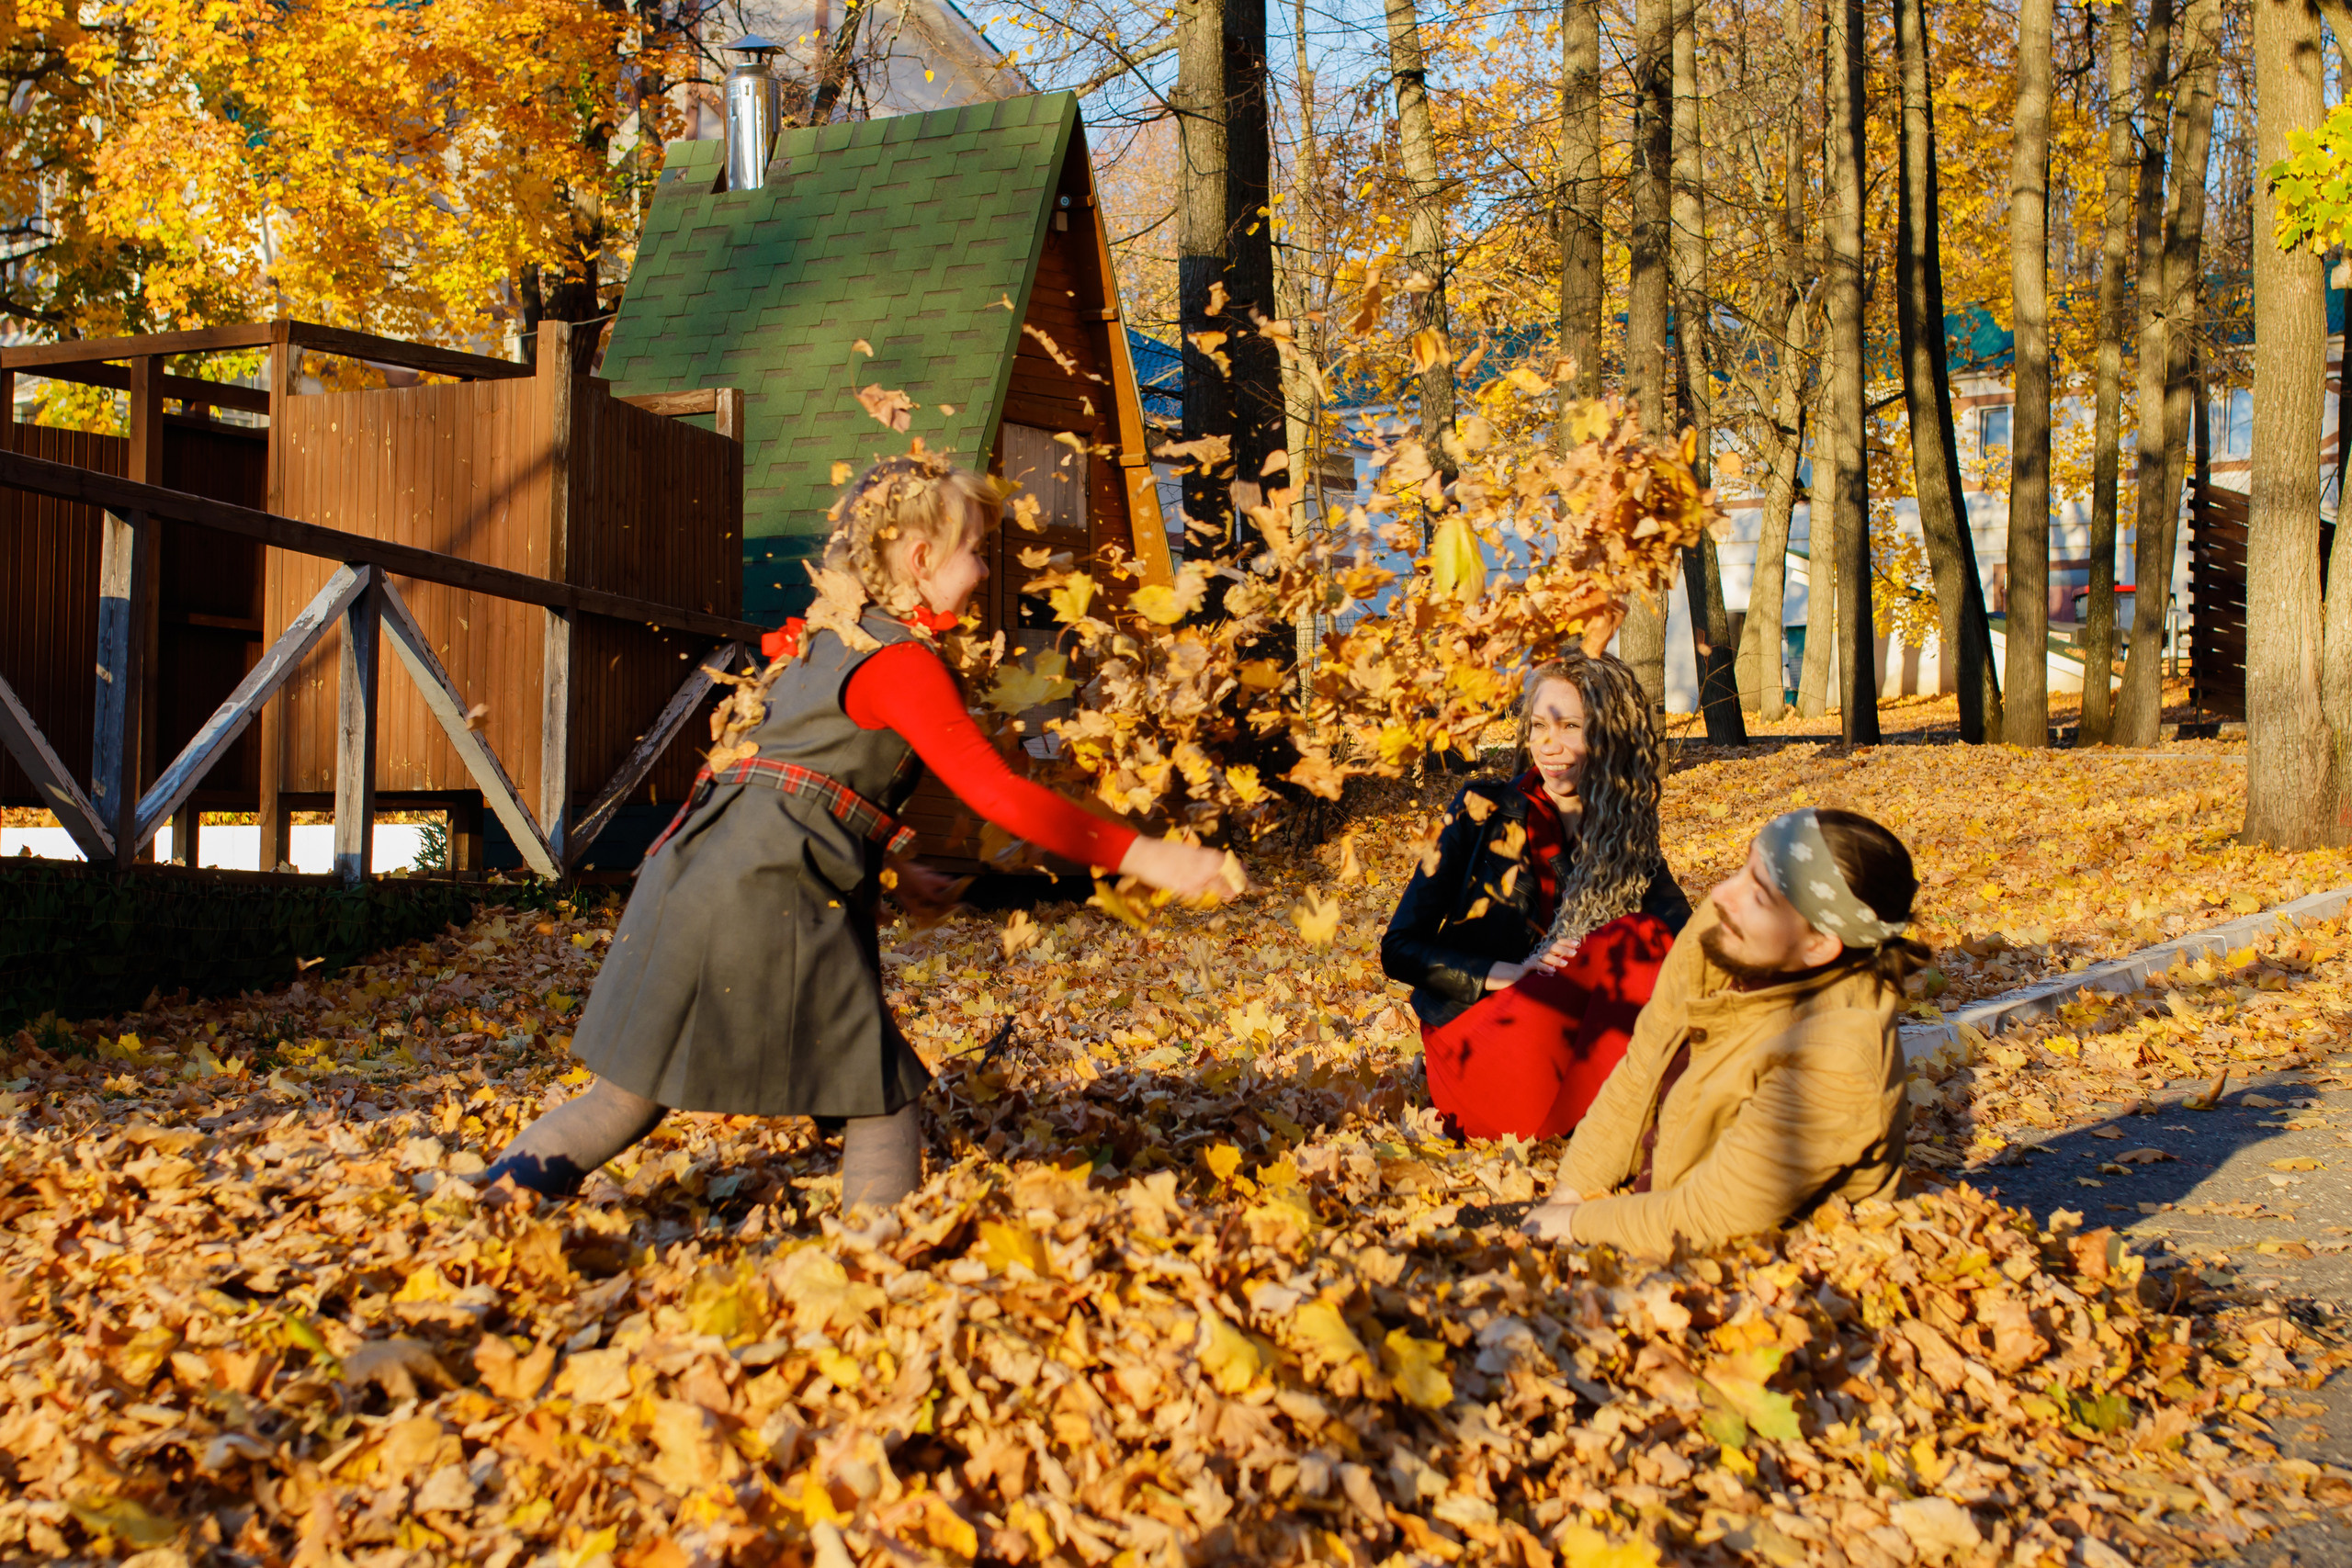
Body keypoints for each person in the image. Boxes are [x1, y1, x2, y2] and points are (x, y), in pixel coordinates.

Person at [482, 455, 1227, 1210]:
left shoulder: (821, 640)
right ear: (920, 558)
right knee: (882, 1098)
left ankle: (484, 1207)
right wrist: (1145, 853)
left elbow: (798, 780)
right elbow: (997, 792)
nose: (979, 570)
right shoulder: (899, 662)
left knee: (624, 1100)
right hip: (767, 895)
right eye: (974, 550)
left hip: (695, 879)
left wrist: (900, 875)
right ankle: (880, 1270)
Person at [1521, 807, 1928, 1255]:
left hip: (1768, 1278)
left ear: (1818, 945)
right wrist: (1572, 1191)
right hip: (1652, 1213)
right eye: (1743, 868)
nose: (1721, 895)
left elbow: (1713, 1221)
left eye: (1760, 896)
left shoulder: (1837, 1056)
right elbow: (1643, 1063)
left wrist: (1575, 1223)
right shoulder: (1721, 935)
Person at [1381, 652, 1691, 1142]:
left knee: (1655, 948)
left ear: (1611, 737)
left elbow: (1685, 941)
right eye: (1539, 726)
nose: (1551, 746)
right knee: (1635, 939)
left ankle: (1659, 1119)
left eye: (1571, 726)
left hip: (1568, 1049)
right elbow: (1399, 948)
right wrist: (1506, 973)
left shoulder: (1624, 837)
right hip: (1473, 1042)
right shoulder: (1479, 810)